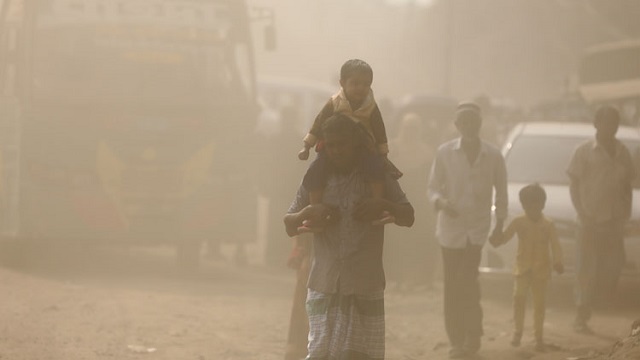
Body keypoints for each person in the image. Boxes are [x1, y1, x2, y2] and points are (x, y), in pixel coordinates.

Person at [284, 114, 414, 360]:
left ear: (355, 143)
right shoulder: (316, 179)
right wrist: (310, 212)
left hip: (364, 285)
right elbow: (289, 222)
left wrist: (383, 204)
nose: (336, 151)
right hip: (324, 284)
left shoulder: (377, 177)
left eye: (342, 144)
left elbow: (408, 214)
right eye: (331, 145)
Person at [427, 102, 507, 359]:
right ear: (457, 126)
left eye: (474, 122)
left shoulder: (494, 155)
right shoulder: (445, 152)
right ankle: (458, 340)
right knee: (453, 285)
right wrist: (441, 203)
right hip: (450, 230)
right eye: (464, 122)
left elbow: (502, 194)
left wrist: (500, 225)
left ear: (480, 124)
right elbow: (432, 188)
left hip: (477, 229)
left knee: (466, 279)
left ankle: (472, 333)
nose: (470, 127)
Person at [296, 59, 400, 232]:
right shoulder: (335, 102)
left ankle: (377, 205)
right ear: (342, 83)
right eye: (356, 83)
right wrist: (307, 146)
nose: (361, 88)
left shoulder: (371, 107)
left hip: (363, 147)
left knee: (376, 169)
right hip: (332, 147)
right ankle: (315, 213)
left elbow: (379, 130)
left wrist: (383, 154)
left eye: (366, 84)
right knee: (315, 171)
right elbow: (318, 123)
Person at [567, 105, 636, 334]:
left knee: (613, 266)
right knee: (584, 268)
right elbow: (574, 184)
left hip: (614, 221)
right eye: (606, 122)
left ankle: (601, 302)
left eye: (614, 123)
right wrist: (582, 212)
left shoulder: (623, 152)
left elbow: (627, 186)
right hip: (589, 220)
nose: (611, 127)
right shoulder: (583, 151)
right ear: (596, 124)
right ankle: (581, 312)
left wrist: (625, 214)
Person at [489, 183, 564, 352]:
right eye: (528, 205)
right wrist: (496, 240)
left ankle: (538, 338)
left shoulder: (549, 225)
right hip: (522, 268)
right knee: (518, 299)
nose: (532, 209)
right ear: (523, 205)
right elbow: (505, 236)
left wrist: (558, 262)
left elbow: (556, 246)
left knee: (539, 305)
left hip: (541, 271)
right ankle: (518, 332)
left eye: (535, 205)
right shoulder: (518, 222)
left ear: (542, 204)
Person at [386, 112, 437, 289]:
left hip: (417, 202)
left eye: (414, 128)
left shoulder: (426, 152)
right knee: (395, 239)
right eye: (407, 128)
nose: (410, 132)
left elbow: (429, 179)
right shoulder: (392, 148)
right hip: (394, 200)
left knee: (416, 239)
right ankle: (395, 277)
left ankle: (417, 278)